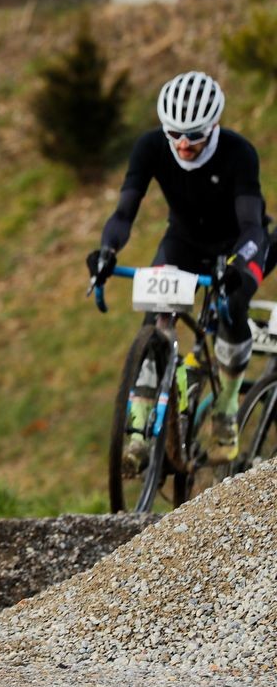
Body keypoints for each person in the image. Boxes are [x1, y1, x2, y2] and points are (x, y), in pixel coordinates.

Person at [87, 71, 268, 465]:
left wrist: (235, 263)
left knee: (232, 305)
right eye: (175, 134)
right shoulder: (151, 147)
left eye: (195, 134)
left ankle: (226, 409)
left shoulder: (239, 153)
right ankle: (137, 433)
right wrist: (106, 251)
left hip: (238, 244)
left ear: (214, 125)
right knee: (155, 319)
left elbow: (253, 225)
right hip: (184, 242)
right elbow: (124, 212)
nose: (184, 144)